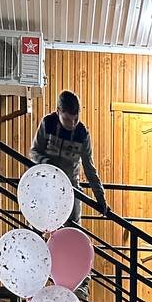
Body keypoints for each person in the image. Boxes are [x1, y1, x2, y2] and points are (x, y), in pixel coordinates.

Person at [30, 90, 107, 225]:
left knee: (73, 228)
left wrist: (101, 198)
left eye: (76, 119)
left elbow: (89, 168)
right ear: (58, 111)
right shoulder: (47, 123)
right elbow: (34, 152)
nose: (72, 124)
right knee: (39, 224)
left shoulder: (82, 134)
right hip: (46, 183)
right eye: (67, 119)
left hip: (70, 187)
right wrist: (47, 163)